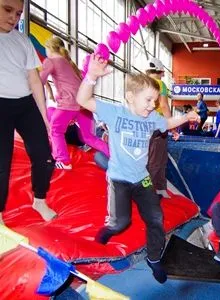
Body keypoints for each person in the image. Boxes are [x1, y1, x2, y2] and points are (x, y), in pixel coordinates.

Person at [76, 54, 199, 284]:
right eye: (149, 100)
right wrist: (91, 76)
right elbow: (83, 99)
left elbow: (167, 123)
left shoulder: (151, 118)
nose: (153, 105)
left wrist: (186, 116)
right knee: (122, 223)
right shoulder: (115, 113)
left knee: (155, 218)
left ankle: (154, 258)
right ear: (130, 97)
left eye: (154, 100)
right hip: (119, 179)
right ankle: (108, 229)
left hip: (142, 178)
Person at [0, 0, 57, 224]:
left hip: (25, 104)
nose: (14, 17)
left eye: (18, 13)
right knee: (2, 164)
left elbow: (34, 79)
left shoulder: (22, 40)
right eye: (7, 10)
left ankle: (40, 200)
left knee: (44, 154)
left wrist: (45, 118)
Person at [39, 36, 109, 170]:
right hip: (84, 104)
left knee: (55, 130)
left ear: (49, 48)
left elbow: (39, 81)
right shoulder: (69, 63)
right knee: (89, 137)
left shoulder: (50, 60)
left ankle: (63, 160)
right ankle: (114, 156)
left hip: (68, 104)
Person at [145, 57, 178, 199]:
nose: (163, 75)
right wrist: (172, 126)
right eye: (162, 73)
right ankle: (148, 191)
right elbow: (164, 105)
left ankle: (159, 187)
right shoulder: (159, 84)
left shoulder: (142, 83)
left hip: (144, 126)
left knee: (158, 158)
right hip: (157, 126)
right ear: (159, 71)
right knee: (156, 161)